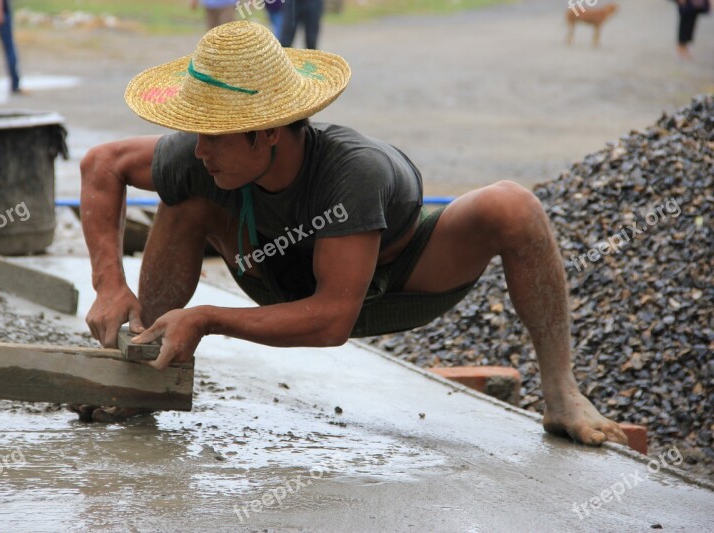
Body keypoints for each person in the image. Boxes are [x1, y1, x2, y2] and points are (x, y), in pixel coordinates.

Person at [77, 21, 627, 449]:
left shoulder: (353, 171)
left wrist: (207, 318)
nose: (200, 148)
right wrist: (108, 284)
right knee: (183, 196)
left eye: (215, 137)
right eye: (198, 133)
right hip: (272, 275)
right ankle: (141, 372)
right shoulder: (204, 154)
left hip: (394, 283)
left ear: (268, 131)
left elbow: (333, 320)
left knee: (514, 205)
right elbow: (102, 163)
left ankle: (561, 392)